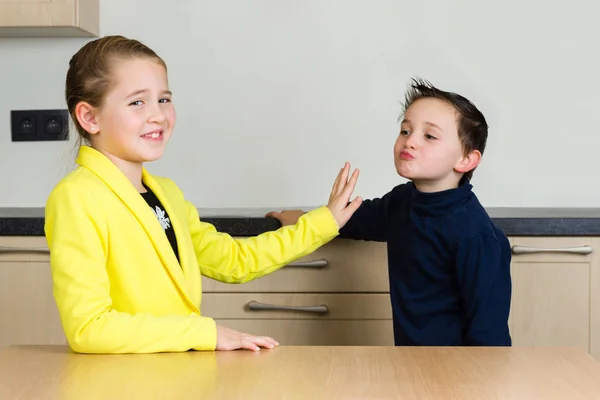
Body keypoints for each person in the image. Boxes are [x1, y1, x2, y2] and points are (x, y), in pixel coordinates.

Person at [44, 35, 362, 355]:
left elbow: (235, 261)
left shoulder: (166, 193)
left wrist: (323, 222)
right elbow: (89, 328)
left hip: (176, 376)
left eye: (164, 99)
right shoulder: (76, 198)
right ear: (89, 117)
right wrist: (204, 333)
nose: (158, 115)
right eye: (137, 102)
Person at [267, 78, 512, 346]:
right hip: (411, 365)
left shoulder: (476, 236)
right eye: (405, 131)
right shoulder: (402, 201)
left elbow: (489, 337)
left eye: (429, 136)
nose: (410, 142)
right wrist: (303, 219)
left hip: (458, 376)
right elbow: (354, 219)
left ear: (466, 160)